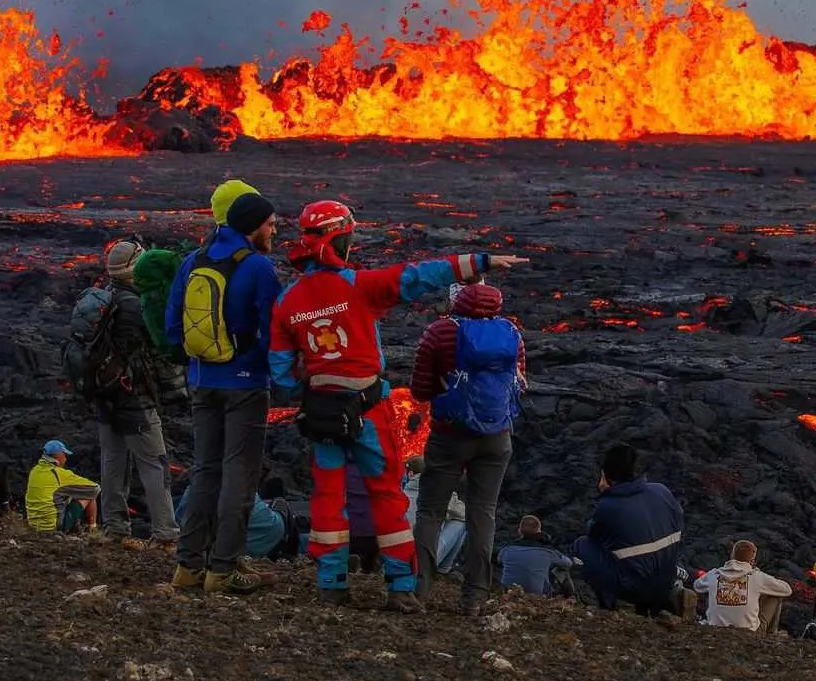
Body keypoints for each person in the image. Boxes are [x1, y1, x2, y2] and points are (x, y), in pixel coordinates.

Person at [269, 198, 527, 613]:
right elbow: (420, 277)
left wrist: (319, 375)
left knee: (327, 498)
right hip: (369, 411)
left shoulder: (286, 302)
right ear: (344, 237)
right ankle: (401, 588)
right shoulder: (358, 285)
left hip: (321, 414)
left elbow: (280, 372)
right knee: (388, 495)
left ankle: (331, 583)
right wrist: (480, 261)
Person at [166, 190, 282, 595]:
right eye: (270, 224)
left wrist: (199, 364)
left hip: (203, 381)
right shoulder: (258, 269)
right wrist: (280, 376)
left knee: (205, 471)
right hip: (245, 385)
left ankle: (189, 566)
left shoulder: (193, 261)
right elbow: (275, 334)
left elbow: (172, 329)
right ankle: (223, 569)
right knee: (239, 477)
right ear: (252, 226)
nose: (274, 230)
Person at [411, 281, 526, 615]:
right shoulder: (512, 333)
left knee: (430, 510)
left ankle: (420, 589)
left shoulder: (440, 332)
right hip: (497, 436)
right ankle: (475, 596)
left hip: (450, 434)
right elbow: (519, 383)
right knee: (483, 512)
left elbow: (420, 389)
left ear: (457, 300)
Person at [98, 240, 178, 552]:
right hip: (135, 397)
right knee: (154, 463)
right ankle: (166, 533)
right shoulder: (135, 305)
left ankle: (115, 528)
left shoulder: (104, 299)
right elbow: (153, 350)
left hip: (104, 394)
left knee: (113, 459)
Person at [572, 444, 683, 615]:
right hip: (667, 579)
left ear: (606, 476)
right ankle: (664, 598)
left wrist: (606, 494)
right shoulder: (661, 490)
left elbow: (594, 535)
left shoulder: (608, 506)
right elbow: (678, 519)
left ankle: (609, 605)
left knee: (582, 545)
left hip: (636, 588)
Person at [693, 540, 793, 632]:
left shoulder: (714, 574)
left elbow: (697, 586)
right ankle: (770, 635)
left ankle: (713, 616)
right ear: (752, 561)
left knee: (708, 589)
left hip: (715, 628)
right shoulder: (757, 576)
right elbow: (787, 590)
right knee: (776, 595)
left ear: (732, 557)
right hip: (749, 632)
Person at [403, 457, 467, 574]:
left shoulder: (399, 494)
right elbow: (465, 514)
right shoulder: (441, 495)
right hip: (421, 561)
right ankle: (444, 568)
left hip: (396, 558)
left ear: (410, 474)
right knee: (461, 522)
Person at [25, 441, 100, 533]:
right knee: (89, 495)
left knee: (65, 496)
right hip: (52, 527)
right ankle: (92, 528)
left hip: (33, 524)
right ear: (59, 455)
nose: (65, 458)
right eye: (64, 454)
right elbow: (95, 489)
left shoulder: (34, 471)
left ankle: (76, 528)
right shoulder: (59, 474)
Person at [499, 515, 576, 597]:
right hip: (536, 595)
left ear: (519, 531)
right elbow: (567, 563)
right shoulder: (547, 551)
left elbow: (499, 560)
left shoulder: (507, 549)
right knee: (562, 570)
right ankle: (567, 599)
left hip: (508, 593)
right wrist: (573, 560)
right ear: (539, 531)